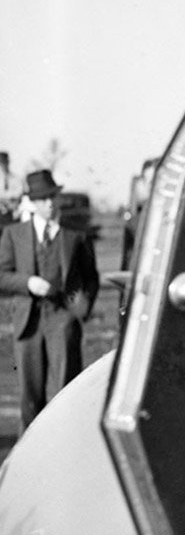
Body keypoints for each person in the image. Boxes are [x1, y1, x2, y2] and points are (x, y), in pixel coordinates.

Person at [0, 169, 99, 434]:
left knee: (65, 392)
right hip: (28, 323)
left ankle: (65, 451)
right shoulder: (14, 234)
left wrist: (80, 310)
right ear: (31, 202)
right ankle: (26, 463)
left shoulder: (74, 235)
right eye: (43, 199)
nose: (49, 204)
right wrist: (27, 283)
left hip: (62, 319)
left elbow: (91, 277)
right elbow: (1, 276)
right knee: (30, 398)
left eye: (52, 197)